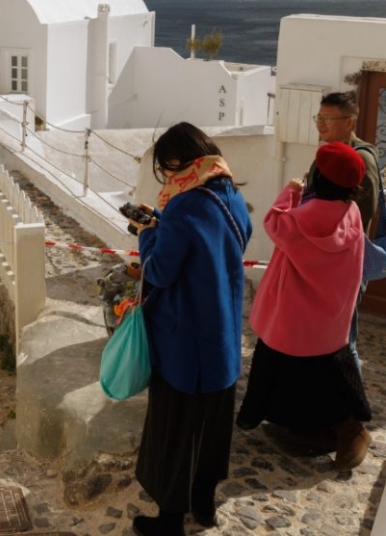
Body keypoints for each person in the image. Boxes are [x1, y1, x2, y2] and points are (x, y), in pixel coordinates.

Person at [125, 122, 253, 536]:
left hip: (183, 340)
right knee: (211, 429)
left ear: (179, 161)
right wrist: (163, 223)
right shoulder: (231, 196)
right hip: (222, 338)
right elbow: (209, 244)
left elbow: (160, 271)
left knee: (175, 429)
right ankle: (205, 505)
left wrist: (147, 234)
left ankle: (169, 521)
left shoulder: (183, 206)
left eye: (167, 166)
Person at [236, 141, 373, 471]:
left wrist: (290, 192)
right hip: (331, 311)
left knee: (289, 368)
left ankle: (341, 429)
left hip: (294, 312)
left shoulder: (299, 220)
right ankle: (327, 428)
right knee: (325, 372)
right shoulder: (351, 213)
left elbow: (273, 223)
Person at [307, 90, 380, 355]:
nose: (320, 124)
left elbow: (363, 212)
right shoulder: (329, 154)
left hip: (344, 261)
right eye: (319, 117)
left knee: (342, 339)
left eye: (328, 118)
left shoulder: (360, 159)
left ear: (349, 122)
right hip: (324, 259)